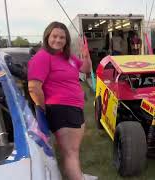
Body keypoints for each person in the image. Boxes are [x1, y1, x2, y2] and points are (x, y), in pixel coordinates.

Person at [27, 21, 97, 180]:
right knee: (71, 153)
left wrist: (86, 56)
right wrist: (43, 108)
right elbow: (33, 87)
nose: (58, 40)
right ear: (47, 37)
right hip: (61, 109)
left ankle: (74, 174)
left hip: (74, 108)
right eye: (55, 36)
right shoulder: (43, 57)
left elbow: (85, 70)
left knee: (71, 152)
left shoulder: (67, 57)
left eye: (62, 37)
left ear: (66, 40)